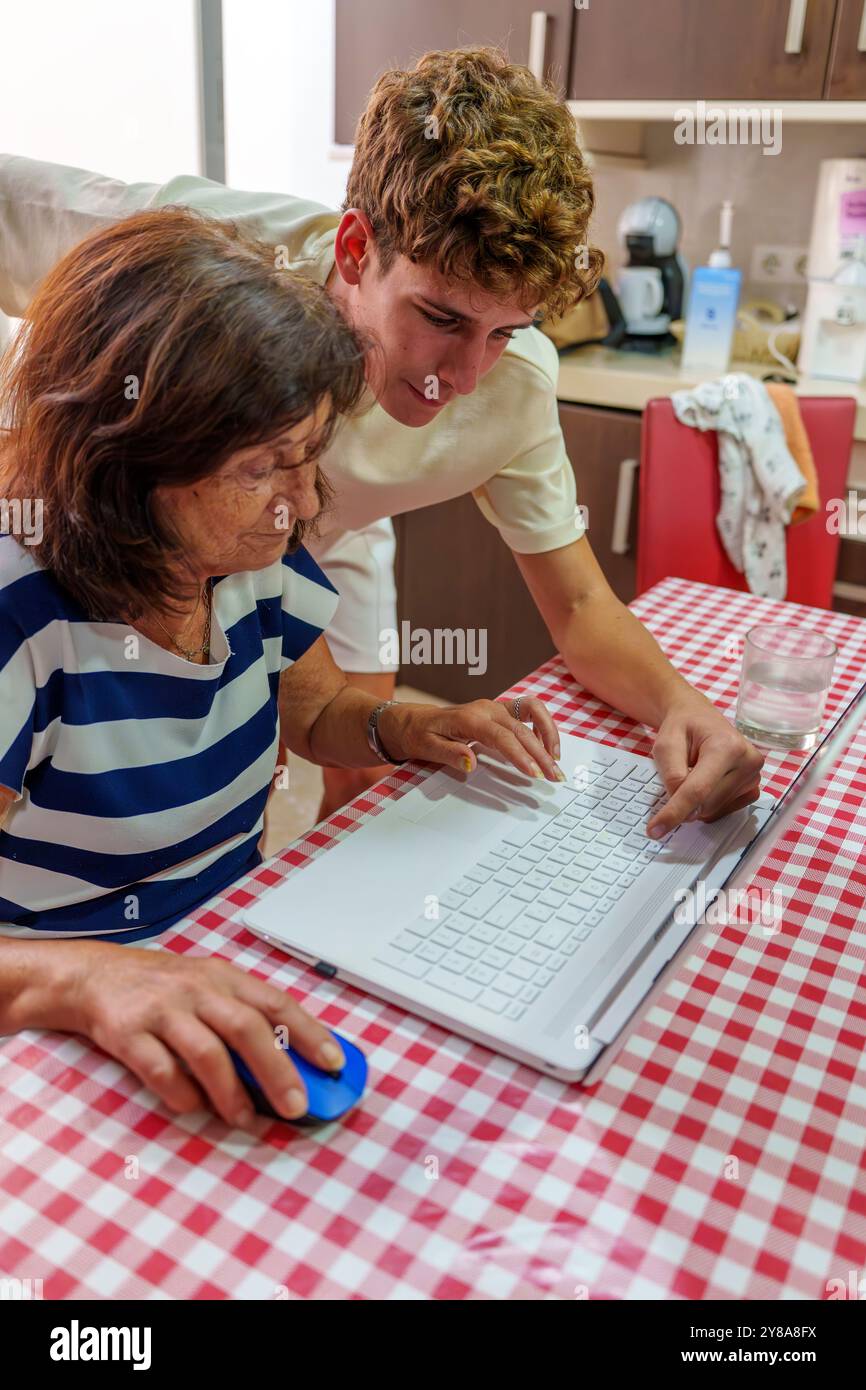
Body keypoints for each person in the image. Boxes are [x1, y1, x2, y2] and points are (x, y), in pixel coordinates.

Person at [0, 45, 764, 835]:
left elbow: (575, 600)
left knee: (358, 770)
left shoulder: (515, 387)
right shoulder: (194, 261)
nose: (465, 378)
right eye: (441, 319)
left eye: (505, 331)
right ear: (354, 249)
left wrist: (683, 706)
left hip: (324, 537)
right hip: (122, 525)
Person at [0, 207, 564, 1128]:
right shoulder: (19, 617)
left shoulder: (245, 567)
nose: (300, 505)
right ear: (131, 456)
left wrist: (397, 725)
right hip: (66, 1033)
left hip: (221, 963)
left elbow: (316, 710)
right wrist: (88, 977)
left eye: (308, 462)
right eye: (266, 467)